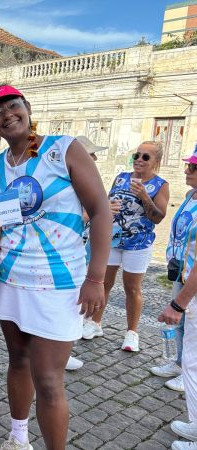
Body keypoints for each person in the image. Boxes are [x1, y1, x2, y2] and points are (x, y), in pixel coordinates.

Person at [0, 85, 111, 450]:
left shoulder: (63, 149)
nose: (7, 114)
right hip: (10, 282)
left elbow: (101, 210)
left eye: (12, 105)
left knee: (50, 380)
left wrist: (96, 277)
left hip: (60, 286)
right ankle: (18, 438)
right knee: (18, 362)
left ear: (27, 107)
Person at [83, 141, 169, 352]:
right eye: (136, 155)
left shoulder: (161, 184)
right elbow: (107, 200)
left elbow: (158, 217)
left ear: (156, 161)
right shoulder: (121, 177)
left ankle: (132, 333)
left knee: (132, 287)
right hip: (112, 238)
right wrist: (107, 207)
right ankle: (95, 323)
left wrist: (144, 197)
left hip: (138, 243)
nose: (139, 160)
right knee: (103, 283)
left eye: (145, 157)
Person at [158, 147, 197, 450]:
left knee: (194, 363)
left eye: (193, 168)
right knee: (189, 354)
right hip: (183, 275)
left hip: (192, 289)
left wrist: (179, 303)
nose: (187, 171)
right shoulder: (189, 196)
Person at [65, 135, 109, 371]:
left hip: (81, 252)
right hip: (69, 254)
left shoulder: (87, 178)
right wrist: (95, 214)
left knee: (75, 303)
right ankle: (63, 348)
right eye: (90, 154)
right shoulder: (71, 179)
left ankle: (65, 346)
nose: (95, 158)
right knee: (71, 303)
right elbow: (69, 219)